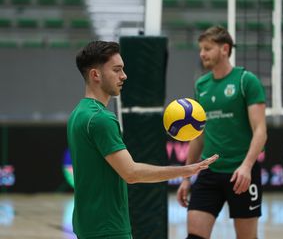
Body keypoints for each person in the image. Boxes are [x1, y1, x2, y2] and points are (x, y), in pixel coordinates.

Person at [67, 40, 218, 239]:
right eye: (117, 70)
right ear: (95, 74)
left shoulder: (78, 114)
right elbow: (131, 173)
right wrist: (187, 170)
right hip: (108, 228)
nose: (124, 76)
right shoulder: (101, 119)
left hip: (87, 224)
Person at [176, 26, 267, 239]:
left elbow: (261, 130)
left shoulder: (246, 81)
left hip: (242, 173)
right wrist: (187, 176)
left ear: (225, 49)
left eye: (208, 48)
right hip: (210, 172)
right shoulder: (201, 85)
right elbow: (198, 134)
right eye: (201, 49)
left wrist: (246, 166)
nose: (202, 54)